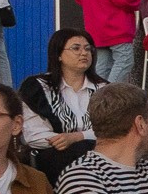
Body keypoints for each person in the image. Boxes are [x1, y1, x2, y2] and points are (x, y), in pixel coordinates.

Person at [21, 28, 104, 183]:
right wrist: (67, 141)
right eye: (76, 48)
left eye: (88, 49)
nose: (84, 53)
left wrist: (77, 137)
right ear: (58, 54)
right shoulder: (38, 87)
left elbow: (114, 129)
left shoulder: (105, 89)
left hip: (101, 159)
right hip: (56, 161)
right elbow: (34, 134)